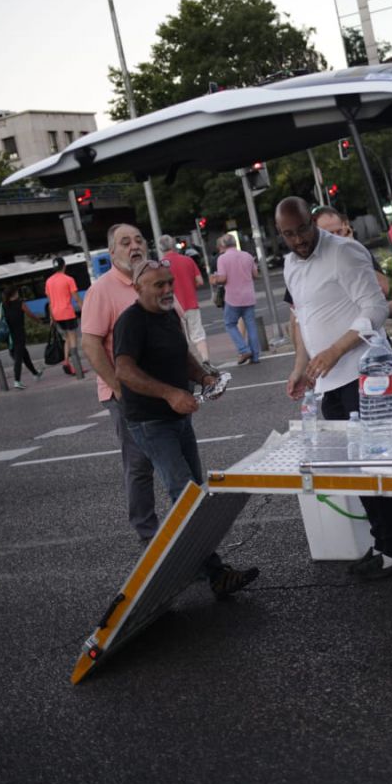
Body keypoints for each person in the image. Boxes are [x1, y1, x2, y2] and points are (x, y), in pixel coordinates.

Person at [276, 196, 392, 580]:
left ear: (312, 222)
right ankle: (382, 542)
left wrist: (335, 350)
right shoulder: (290, 264)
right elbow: (304, 319)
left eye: (303, 229)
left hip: (364, 374)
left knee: (375, 465)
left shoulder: (345, 252)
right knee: (356, 470)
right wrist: (300, 367)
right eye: (289, 234)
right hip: (329, 380)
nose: (299, 240)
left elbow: (374, 309)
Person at [114, 256, 259, 597]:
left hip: (178, 418)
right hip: (150, 422)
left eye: (169, 283)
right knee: (188, 496)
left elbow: (182, 357)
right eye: (159, 285)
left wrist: (205, 377)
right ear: (138, 288)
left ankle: (196, 568)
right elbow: (123, 370)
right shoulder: (131, 322)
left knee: (196, 492)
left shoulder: (167, 315)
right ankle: (211, 573)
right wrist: (169, 394)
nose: (167, 290)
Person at [80, 224, 166, 543]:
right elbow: (90, 344)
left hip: (164, 389)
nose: (134, 246)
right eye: (125, 242)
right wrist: (118, 387)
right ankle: (147, 529)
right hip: (127, 393)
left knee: (176, 458)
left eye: (139, 240)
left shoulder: (154, 280)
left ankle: (188, 525)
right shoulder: (102, 290)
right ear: (113, 252)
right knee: (140, 462)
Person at [311, 205, 392, 298]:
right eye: (329, 234)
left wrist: (353, 252)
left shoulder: (358, 252)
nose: (336, 238)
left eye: (339, 232)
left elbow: (384, 288)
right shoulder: (311, 264)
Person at [210, 234, 261, 365]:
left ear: (223, 245)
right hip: (249, 296)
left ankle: (244, 349)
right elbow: (255, 275)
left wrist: (214, 278)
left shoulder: (222, 259)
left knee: (230, 324)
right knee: (251, 326)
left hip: (233, 298)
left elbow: (222, 279)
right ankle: (255, 356)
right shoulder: (248, 256)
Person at [157, 235, 209, 362]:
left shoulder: (160, 266)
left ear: (160, 248)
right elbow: (200, 281)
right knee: (198, 335)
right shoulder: (188, 260)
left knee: (181, 339)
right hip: (191, 303)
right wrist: (190, 285)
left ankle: (189, 367)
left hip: (172, 307)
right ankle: (205, 360)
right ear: (173, 244)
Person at [44, 257, 82, 375]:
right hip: (67, 312)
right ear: (64, 266)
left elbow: (50, 301)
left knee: (66, 339)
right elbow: (76, 298)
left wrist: (51, 317)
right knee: (73, 338)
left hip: (56, 315)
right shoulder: (68, 279)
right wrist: (84, 309)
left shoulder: (48, 281)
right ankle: (76, 366)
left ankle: (66, 362)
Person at [1, 286, 44, 390]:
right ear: (15, 294)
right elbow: (30, 314)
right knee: (19, 358)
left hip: (9, 336)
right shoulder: (20, 303)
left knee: (25, 355)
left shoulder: (3, 305)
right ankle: (17, 381)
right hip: (19, 334)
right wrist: (39, 321)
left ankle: (35, 373)